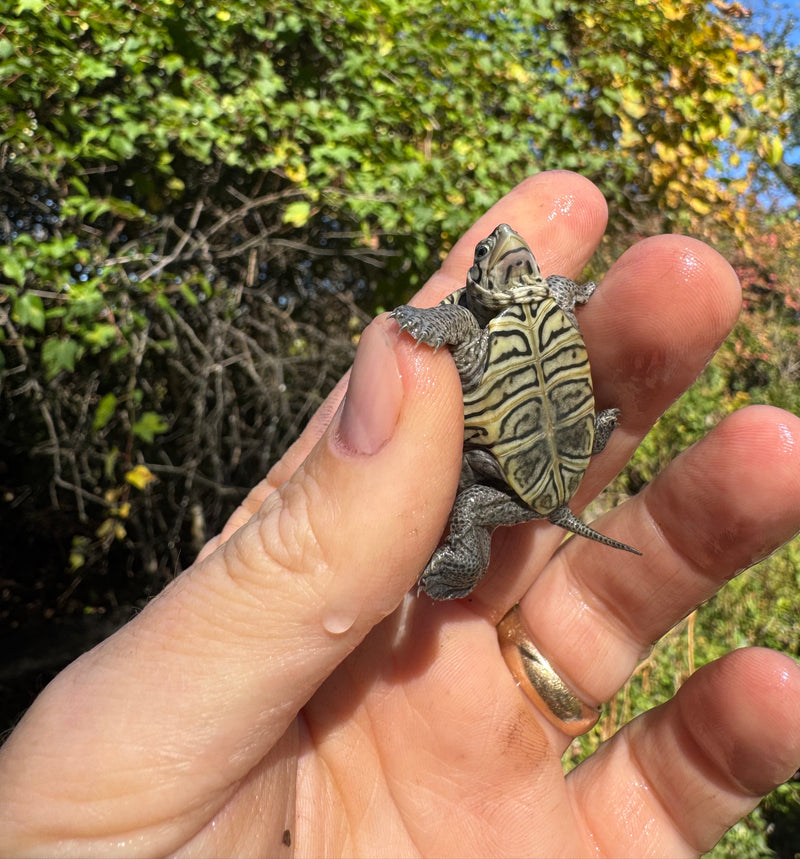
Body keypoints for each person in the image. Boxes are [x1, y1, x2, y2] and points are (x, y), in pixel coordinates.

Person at [1, 170, 799, 858]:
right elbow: (565, 296)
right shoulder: (553, 294)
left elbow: (444, 326)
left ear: (492, 280)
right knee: (509, 479)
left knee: (472, 506)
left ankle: (459, 558)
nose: (500, 261)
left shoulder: (471, 317)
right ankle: (471, 547)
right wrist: (571, 296)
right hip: (559, 457)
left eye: (498, 259)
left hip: (513, 473)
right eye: (500, 257)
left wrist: (424, 324)